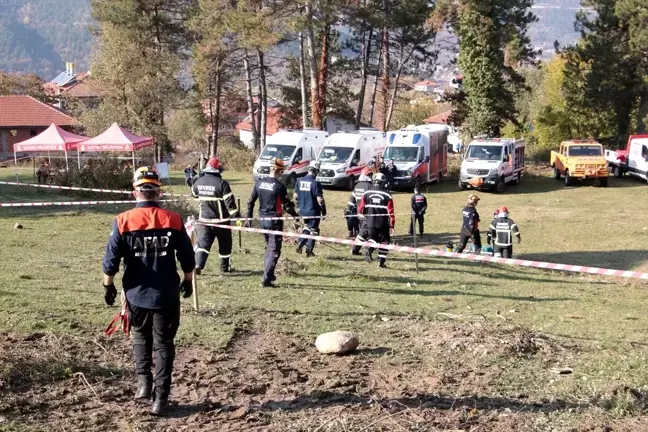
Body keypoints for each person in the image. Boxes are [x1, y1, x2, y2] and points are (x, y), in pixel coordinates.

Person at [102, 166, 195, 416]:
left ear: (135, 192)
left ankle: (144, 382)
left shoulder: (122, 221)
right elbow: (187, 257)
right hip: (166, 294)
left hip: (136, 294)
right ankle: (160, 399)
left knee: (141, 337)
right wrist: (188, 280)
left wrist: (107, 285)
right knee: (164, 345)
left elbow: (110, 260)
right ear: (158, 192)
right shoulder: (174, 220)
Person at [246, 158, 299, 288]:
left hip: (262, 220)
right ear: (279, 171)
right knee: (275, 250)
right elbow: (287, 206)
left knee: (269, 248)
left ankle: (269, 274)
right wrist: (295, 216)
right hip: (274, 221)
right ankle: (266, 279)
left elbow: (250, 201)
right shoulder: (279, 187)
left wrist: (248, 218)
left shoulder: (259, 183)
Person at [191, 157, 239, 274]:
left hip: (204, 221)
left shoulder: (198, 182)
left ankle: (198, 264)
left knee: (203, 244)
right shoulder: (222, 184)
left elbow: (194, 195)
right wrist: (237, 217)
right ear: (218, 170)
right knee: (225, 244)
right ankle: (224, 268)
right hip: (221, 222)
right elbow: (230, 203)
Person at [358, 173, 395, 268]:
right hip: (383, 223)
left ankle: (369, 250)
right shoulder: (387, 195)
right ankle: (381, 261)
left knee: (373, 238)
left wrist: (367, 217)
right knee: (385, 241)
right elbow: (391, 212)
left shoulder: (366, 193)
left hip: (370, 221)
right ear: (383, 182)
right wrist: (392, 225)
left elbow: (360, 209)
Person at [295, 162, 326, 257]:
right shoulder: (315, 183)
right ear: (316, 171)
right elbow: (320, 200)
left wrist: (300, 205)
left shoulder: (299, 181)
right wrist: (324, 210)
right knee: (314, 230)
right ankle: (308, 250)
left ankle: (300, 243)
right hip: (313, 211)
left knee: (306, 227)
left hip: (303, 210)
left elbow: (295, 196)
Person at [348, 167, 373, 254]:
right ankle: (355, 250)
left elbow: (351, 200)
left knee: (365, 231)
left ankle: (364, 248)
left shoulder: (357, 186)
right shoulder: (369, 186)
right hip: (368, 214)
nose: (371, 176)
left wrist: (348, 209)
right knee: (364, 232)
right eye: (370, 174)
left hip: (359, 213)